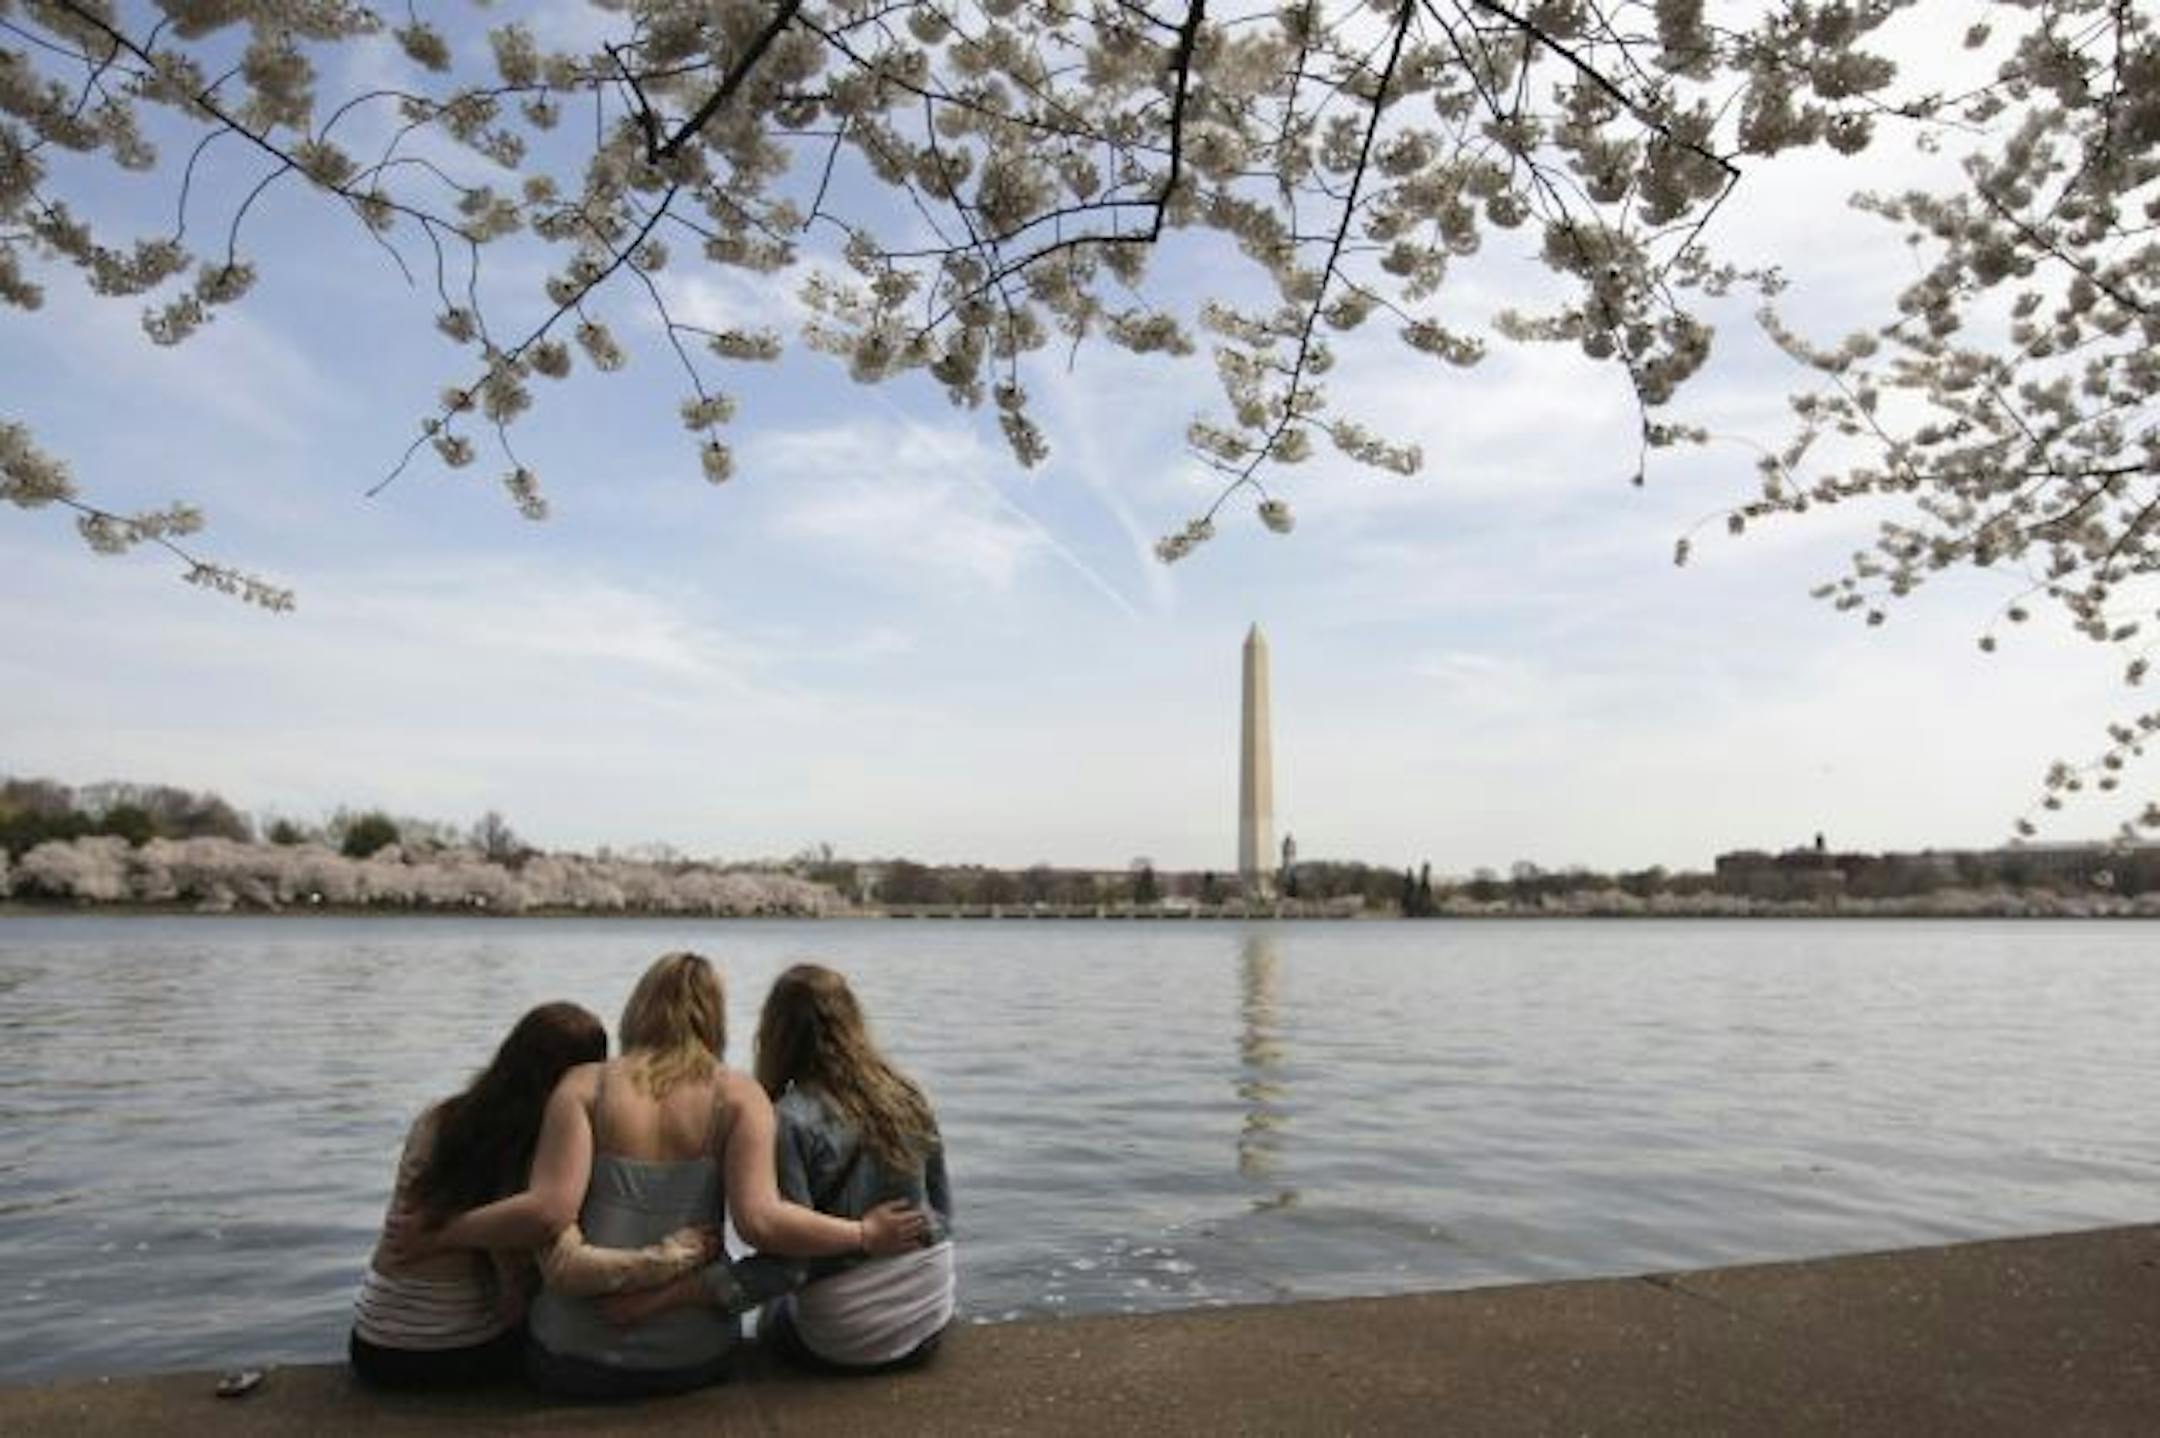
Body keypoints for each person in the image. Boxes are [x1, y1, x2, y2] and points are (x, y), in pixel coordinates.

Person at [412, 953, 928, 1398]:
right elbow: (762, 1225)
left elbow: (550, 1210)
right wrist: (864, 1234)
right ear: (715, 1018)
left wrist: (443, 1229)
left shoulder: (582, 1086)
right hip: (694, 1357)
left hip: (569, 1360)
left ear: (639, 1005)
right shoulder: (740, 1095)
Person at [601, 962, 954, 1372]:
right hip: (930, 1319)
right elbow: (941, 1213)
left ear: (775, 1032)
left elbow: (786, 1268)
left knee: (772, 1314)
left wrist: (661, 1300)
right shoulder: (908, 1094)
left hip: (846, 1339)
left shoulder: (788, 1119)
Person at [349, 1001, 716, 1389]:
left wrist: (444, 1233)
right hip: (456, 1353)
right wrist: (676, 1254)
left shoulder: (439, 1119)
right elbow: (560, 1273)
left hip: (373, 1344)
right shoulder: (537, 1151)